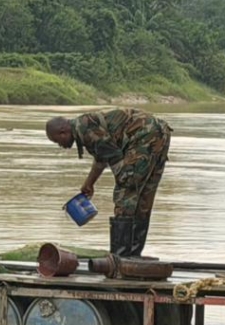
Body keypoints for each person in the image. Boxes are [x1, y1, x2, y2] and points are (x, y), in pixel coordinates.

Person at [46, 108, 173, 258]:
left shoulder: (85, 130)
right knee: (144, 196)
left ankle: (120, 257)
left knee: (125, 193)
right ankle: (133, 255)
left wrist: (125, 182)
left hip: (144, 135)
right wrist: (89, 183)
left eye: (57, 141)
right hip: (160, 132)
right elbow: (102, 158)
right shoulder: (84, 126)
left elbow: (114, 158)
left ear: (63, 132)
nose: (60, 145)